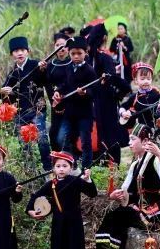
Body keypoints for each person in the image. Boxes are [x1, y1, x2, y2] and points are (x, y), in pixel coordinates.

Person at [88, 124, 160, 249]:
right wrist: (116, 195)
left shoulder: (156, 159)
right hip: (137, 211)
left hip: (154, 214)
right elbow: (125, 191)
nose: (129, 142)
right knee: (115, 214)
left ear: (144, 142)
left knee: (121, 214)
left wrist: (159, 153)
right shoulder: (135, 165)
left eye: (132, 139)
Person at [26, 151, 97, 249]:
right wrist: (30, 210)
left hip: (74, 222)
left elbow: (92, 193)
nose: (61, 169)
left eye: (65, 166)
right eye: (58, 166)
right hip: (58, 223)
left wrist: (88, 179)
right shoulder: (50, 184)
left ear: (71, 168)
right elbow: (36, 196)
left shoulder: (75, 180)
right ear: (53, 168)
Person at [0, 36, 51, 171]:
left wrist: (44, 69)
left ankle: (48, 169)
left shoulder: (36, 65)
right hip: (21, 113)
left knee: (42, 141)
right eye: (16, 51)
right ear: (11, 55)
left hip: (37, 110)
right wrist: (5, 92)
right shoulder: (13, 73)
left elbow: (46, 79)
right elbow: (1, 95)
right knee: (24, 145)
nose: (19, 53)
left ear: (28, 51)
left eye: (22, 50)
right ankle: (30, 172)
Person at [51, 36, 98, 169]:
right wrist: (58, 91)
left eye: (79, 53)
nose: (76, 56)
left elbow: (94, 91)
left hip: (85, 113)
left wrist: (86, 93)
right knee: (62, 139)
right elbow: (65, 84)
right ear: (69, 53)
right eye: (73, 54)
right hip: (69, 112)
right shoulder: (69, 68)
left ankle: (86, 170)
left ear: (85, 53)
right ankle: (72, 165)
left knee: (85, 143)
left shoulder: (90, 70)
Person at [88, 24, 131, 165]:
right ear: (105, 38)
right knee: (110, 132)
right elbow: (113, 79)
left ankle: (97, 163)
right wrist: (122, 90)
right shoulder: (105, 58)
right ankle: (113, 164)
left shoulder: (87, 58)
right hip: (107, 101)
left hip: (91, 100)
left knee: (96, 132)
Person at [38, 33, 71, 154]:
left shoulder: (72, 64)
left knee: (62, 137)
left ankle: (70, 162)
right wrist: (41, 71)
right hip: (55, 107)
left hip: (70, 106)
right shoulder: (50, 65)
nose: (61, 48)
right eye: (58, 45)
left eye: (64, 45)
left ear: (68, 47)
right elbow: (44, 83)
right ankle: (57, 166)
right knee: (53, 135)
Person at [118, 62, 160, 139]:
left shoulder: (156, 94)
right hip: (140, 129)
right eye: (142, 79)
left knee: (157, 147)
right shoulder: (134, 97)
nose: (146, 81)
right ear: (136, 80)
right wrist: (123, 113)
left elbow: (158, 115)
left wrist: (159, 109)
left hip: (154, 128)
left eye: (148, 79)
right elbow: (122, 106)